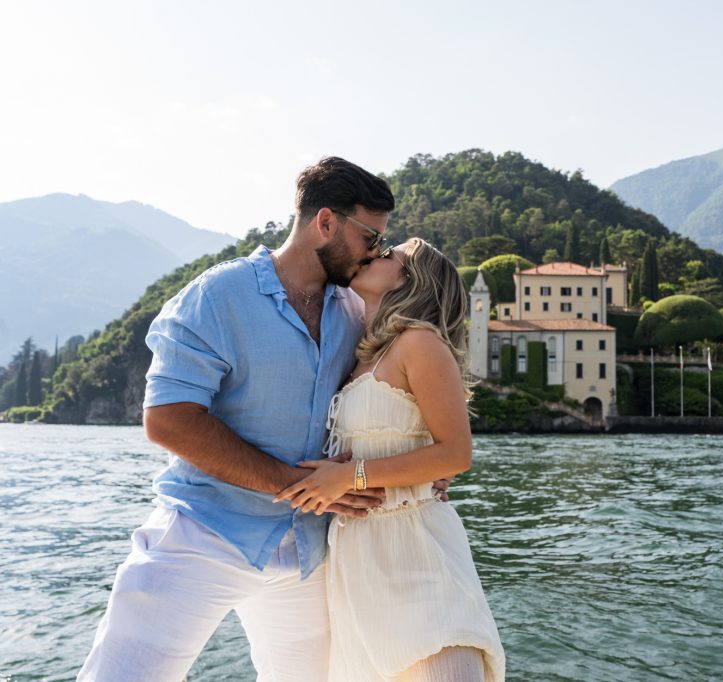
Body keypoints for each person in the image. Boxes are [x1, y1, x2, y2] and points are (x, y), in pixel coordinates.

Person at [78, 157, 453, 681]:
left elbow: (392, 399)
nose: (376, 251)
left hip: (309, 553)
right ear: (326, 222)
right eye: (370, 236)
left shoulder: (355, 310)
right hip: (204, 534)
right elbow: (168, 420)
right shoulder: (216, 296)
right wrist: (291, 483)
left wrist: (415, 471)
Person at [276, 237, 505, 681]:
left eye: (389, 255)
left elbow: (456, 453)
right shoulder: (363, 354)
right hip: (359, 565)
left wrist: (350, 478)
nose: (373, 254)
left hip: (416, 551)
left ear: (408, 279)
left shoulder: (420, 343)